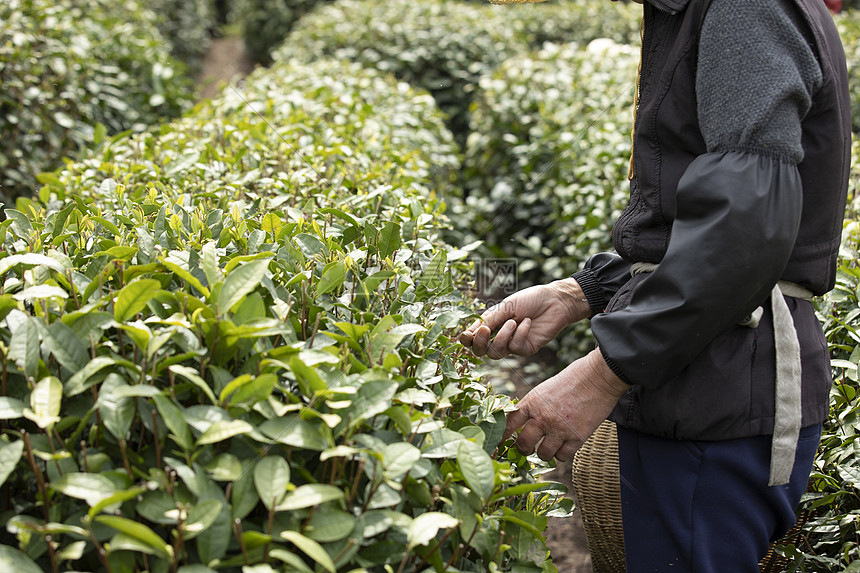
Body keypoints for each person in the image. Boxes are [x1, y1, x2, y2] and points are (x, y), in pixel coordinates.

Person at [459, 0, 851, 570]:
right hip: (704, 373)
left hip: (722, 388)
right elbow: (697, 229)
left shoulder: (745, 9)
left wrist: (603, 372)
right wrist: (581, 292)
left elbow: (747, 230)